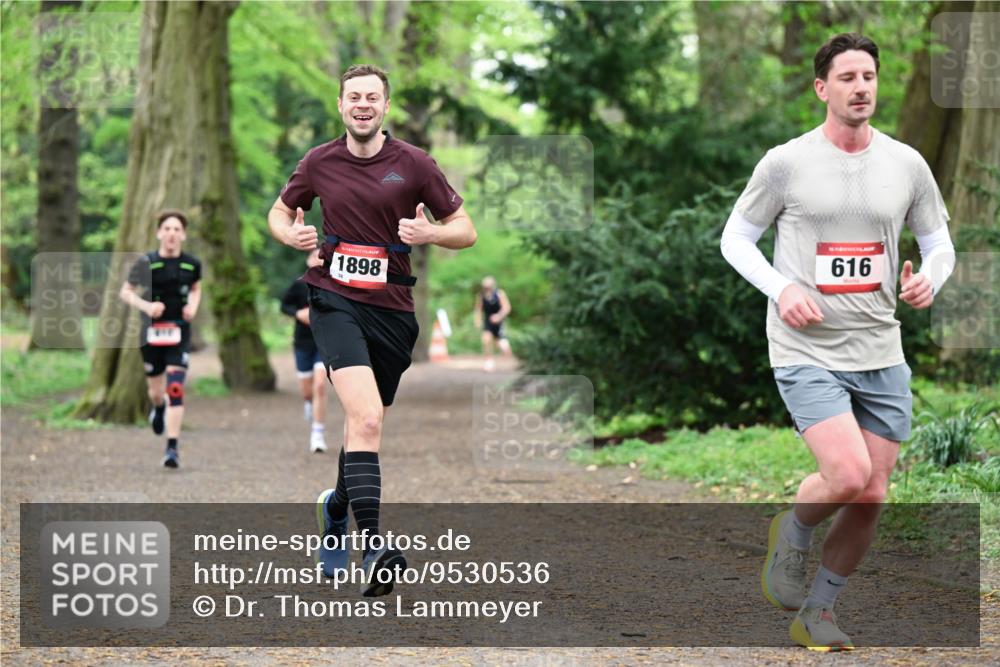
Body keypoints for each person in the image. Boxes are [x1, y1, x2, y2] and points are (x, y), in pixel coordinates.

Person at [720, 33, 955, 651]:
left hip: (882, 348)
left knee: (873, 493)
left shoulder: (907, 164)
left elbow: (938, 244)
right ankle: (794, 531)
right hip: (807, 347)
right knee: (847, 475)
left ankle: (818, 611)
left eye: (870, 76)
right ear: (823, 88)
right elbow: (735, 240)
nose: (862, 87)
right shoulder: (786, 163)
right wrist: (781, 288)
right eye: (848, 77)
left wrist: (931, 279)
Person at [267, 64, 476, 596]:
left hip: (394, 312)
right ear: (341, 105)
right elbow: (279, 210)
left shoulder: (414, 164)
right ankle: (375, 546)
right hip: (333, 301)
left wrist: (431, 232)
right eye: (353, 96)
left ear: (385, 107)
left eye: (372, 97)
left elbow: (466, 229)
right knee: (365, 416)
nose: (363, 105)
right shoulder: (319, 161)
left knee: (365, 424)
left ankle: (335, 509)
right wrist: (290, 235)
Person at [120, 210, 203, 469]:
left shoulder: (192, 264)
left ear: (183, 235)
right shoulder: (146, 262)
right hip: (151, 333)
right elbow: (125, 292)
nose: (172, 233)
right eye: (167, 228)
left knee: (175, 389)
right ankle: (157, 408)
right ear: (159, 233)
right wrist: (146, 307)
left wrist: (192, 307)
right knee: (156, 392)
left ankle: (172, 448)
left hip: (179, 332)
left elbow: (196, 289)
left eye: (177, 229)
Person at [280, 248, 329, 453]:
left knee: (320, 386)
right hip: (302, 342)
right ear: (308, 260)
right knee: (307, 390)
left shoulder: (333, 286)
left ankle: (317, 434)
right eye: (315, 257)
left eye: (322, 258)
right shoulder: (299, 284)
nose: (318, 260)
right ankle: (308, 403)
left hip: (324, 342)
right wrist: (298, 313)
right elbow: (284, 306)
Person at [474, 276, 512, 372]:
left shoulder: (499, 294)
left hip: (499, 322)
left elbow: (507, 308)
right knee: (486, 339)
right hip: (488, 321)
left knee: (502, 345)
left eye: (489, 286)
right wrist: (477, 320)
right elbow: (478, 309)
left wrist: (498, 316)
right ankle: (489, 362)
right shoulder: (481, 296)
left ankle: (508, 356)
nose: (487, 288)